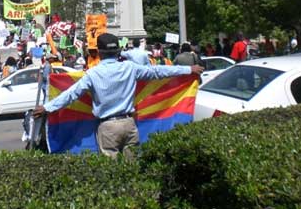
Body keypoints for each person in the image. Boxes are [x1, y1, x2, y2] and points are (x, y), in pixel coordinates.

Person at [33, 33, 204, 159]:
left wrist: (47, 107)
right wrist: (189, 69)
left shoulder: (93, 74)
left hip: (107, 128)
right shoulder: (130, 68)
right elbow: (158, 71)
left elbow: (71, 95)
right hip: (130, 125)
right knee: (133, 172)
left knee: (111, 175)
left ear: (99, 52)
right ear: (118, 51)